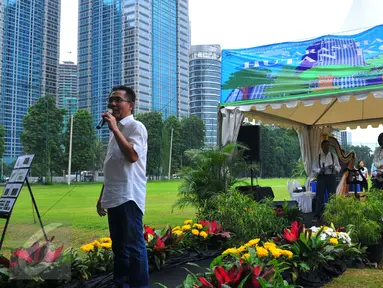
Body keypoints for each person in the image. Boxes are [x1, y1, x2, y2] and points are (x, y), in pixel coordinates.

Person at [96, 86, 149, 288]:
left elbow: (133, 156)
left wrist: (115, 129)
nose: (112, 104)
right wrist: (102, 196)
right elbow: (112, 167)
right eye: (110, 100)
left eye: (118, 100)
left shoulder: (136, 127)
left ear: (131, 104)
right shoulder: (114, 132)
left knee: (134, 247)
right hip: (114, 196)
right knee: (119, 248)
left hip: (129, 197)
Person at [312, 140, 341, 222]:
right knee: (319, 197)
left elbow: (339, 168)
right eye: (325, 146)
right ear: (322, 147)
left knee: (332, 196)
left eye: (328, 146)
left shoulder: (333, 156)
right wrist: (320, 170)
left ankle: (332, 214)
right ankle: (317, 215)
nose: (327, 147)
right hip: (321, 177)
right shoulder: (317, 157)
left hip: (331, 177)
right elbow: (313, 168)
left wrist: (334, 167)